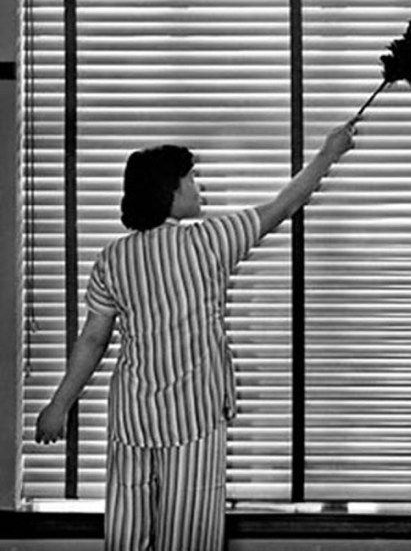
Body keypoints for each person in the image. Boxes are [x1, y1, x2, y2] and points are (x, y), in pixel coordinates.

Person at [35, 120, 356, 550]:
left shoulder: (113, 257)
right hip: (193, 418)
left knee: (127, 537)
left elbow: (93, 340)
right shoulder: (210, 241)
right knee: (188, 537)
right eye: (189, 178)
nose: (196, 185)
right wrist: (329, 153)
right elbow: (283, 205)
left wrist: (58, 405)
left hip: (134, 417)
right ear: (170, 190)